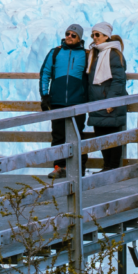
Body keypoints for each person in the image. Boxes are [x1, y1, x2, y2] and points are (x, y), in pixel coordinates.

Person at [39, 23, 88, 180]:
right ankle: (58, 167)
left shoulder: (86, 54)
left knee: (77, 135)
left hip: (78, 102)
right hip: (58, 101)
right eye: (67, 34)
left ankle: (77, 168)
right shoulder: (55, 52)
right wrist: (45, 95)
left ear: (79, 38)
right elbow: (45, 73)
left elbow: (91, 78)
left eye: (73, 35)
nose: (69, 37)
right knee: (58, 136)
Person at [86, 22, 127, 173]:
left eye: (97, 35)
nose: (94, 38)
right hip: (97, 102)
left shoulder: (113, 53)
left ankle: (113, 168)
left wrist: (111, 101)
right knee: (101, 135)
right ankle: (107, 167)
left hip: (109, 103)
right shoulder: (94, 54)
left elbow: (119, 79)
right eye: (93, 35)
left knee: (112, 136)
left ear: (106, 36)